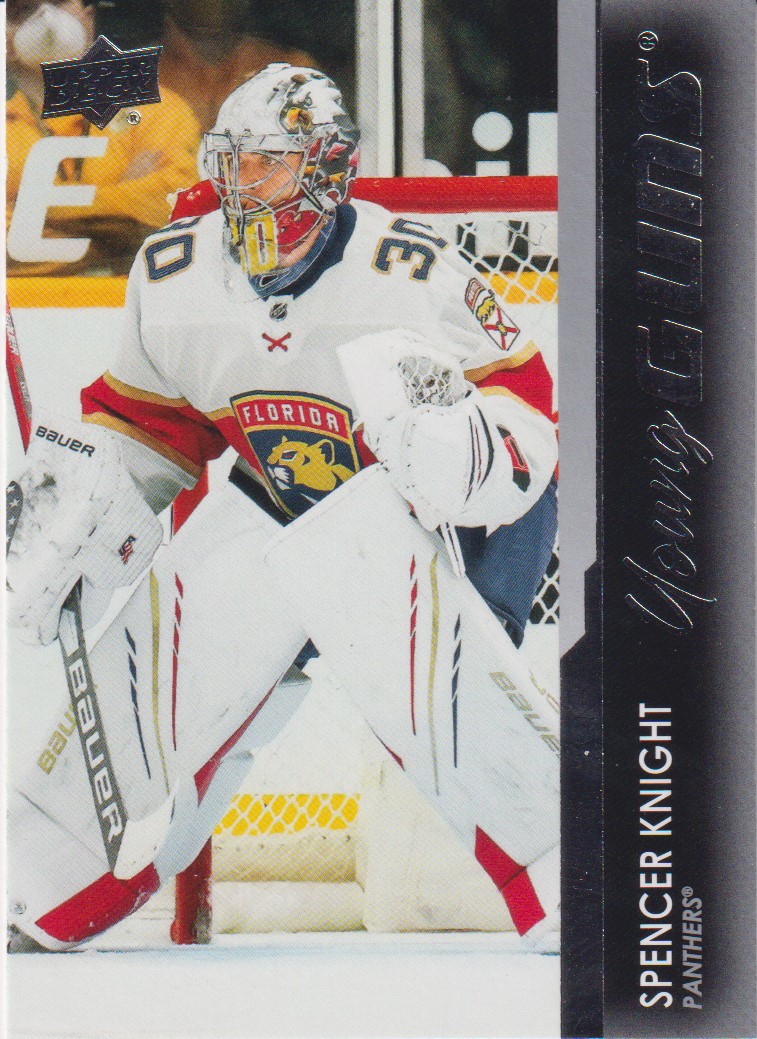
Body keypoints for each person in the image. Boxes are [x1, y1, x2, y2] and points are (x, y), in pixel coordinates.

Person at [6, 64, 559, 949]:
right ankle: (44, 873)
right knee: (184, 615)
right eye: (233, 160)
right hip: (279, 511)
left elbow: (529, 409)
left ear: (327, 168)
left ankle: (574, 873)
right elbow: (152, 426)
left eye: (269, 162)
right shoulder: (176, 276)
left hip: (434, 525)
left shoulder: (407, 270)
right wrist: (80, 510)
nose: (243, 183)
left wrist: (461, 452)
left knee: (444, 692)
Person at [6, 0, 201, 276]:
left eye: (59, 2)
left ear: (88, 17)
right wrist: (121, 228)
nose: (46, 17)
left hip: (125, 298)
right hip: (27, 301)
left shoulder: (152, 107)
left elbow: (175, 204)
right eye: (24, 10)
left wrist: (37, 210)